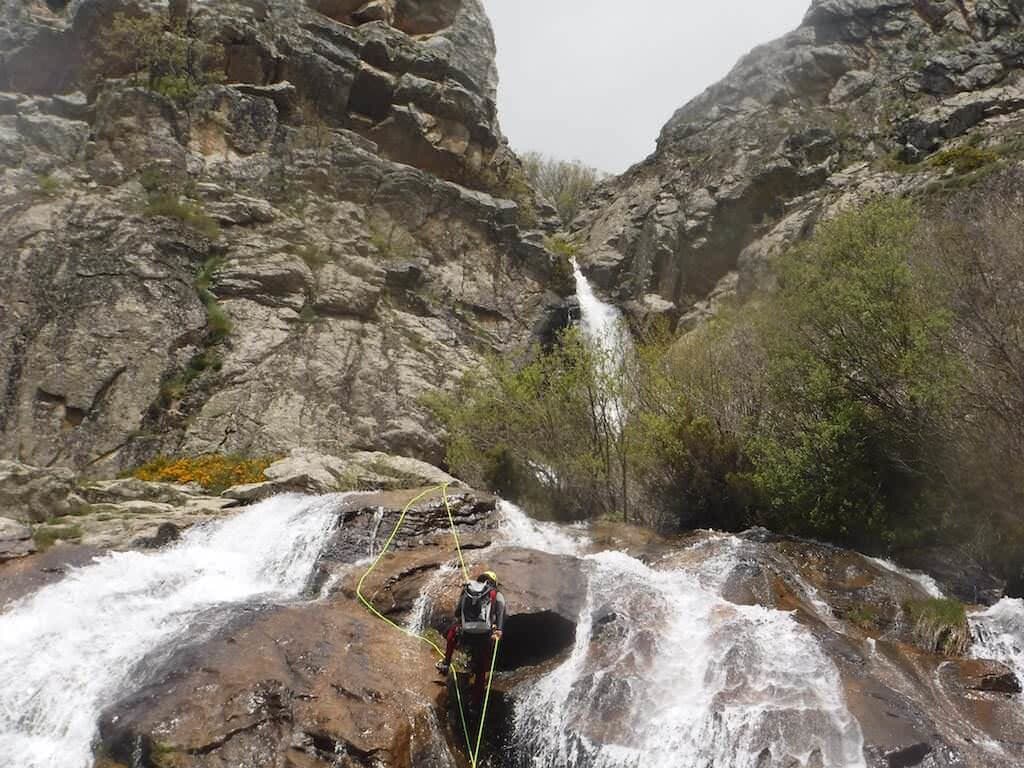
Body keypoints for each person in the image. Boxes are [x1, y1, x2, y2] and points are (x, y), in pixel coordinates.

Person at [436, 570, 506, 706]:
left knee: (452, 633)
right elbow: (501, 611)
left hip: (465, 633)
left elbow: (457, 612)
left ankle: (446, 663)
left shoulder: (468, 590)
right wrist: (499, 630)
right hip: (484, 636)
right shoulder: (496, 594)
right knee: (481, 669)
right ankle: (475, 703)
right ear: (494, 582)